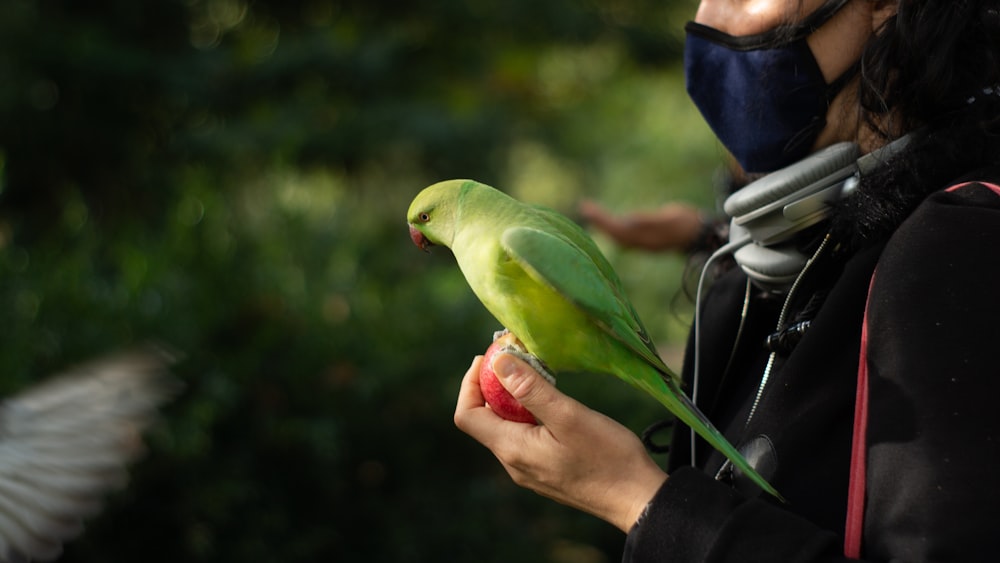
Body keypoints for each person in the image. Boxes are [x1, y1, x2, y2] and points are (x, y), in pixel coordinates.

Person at [454, 0, 1000, 561]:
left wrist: (636, 497)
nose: (709, 18)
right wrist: (704, 235)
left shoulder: (965, 249)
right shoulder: (745, 271)